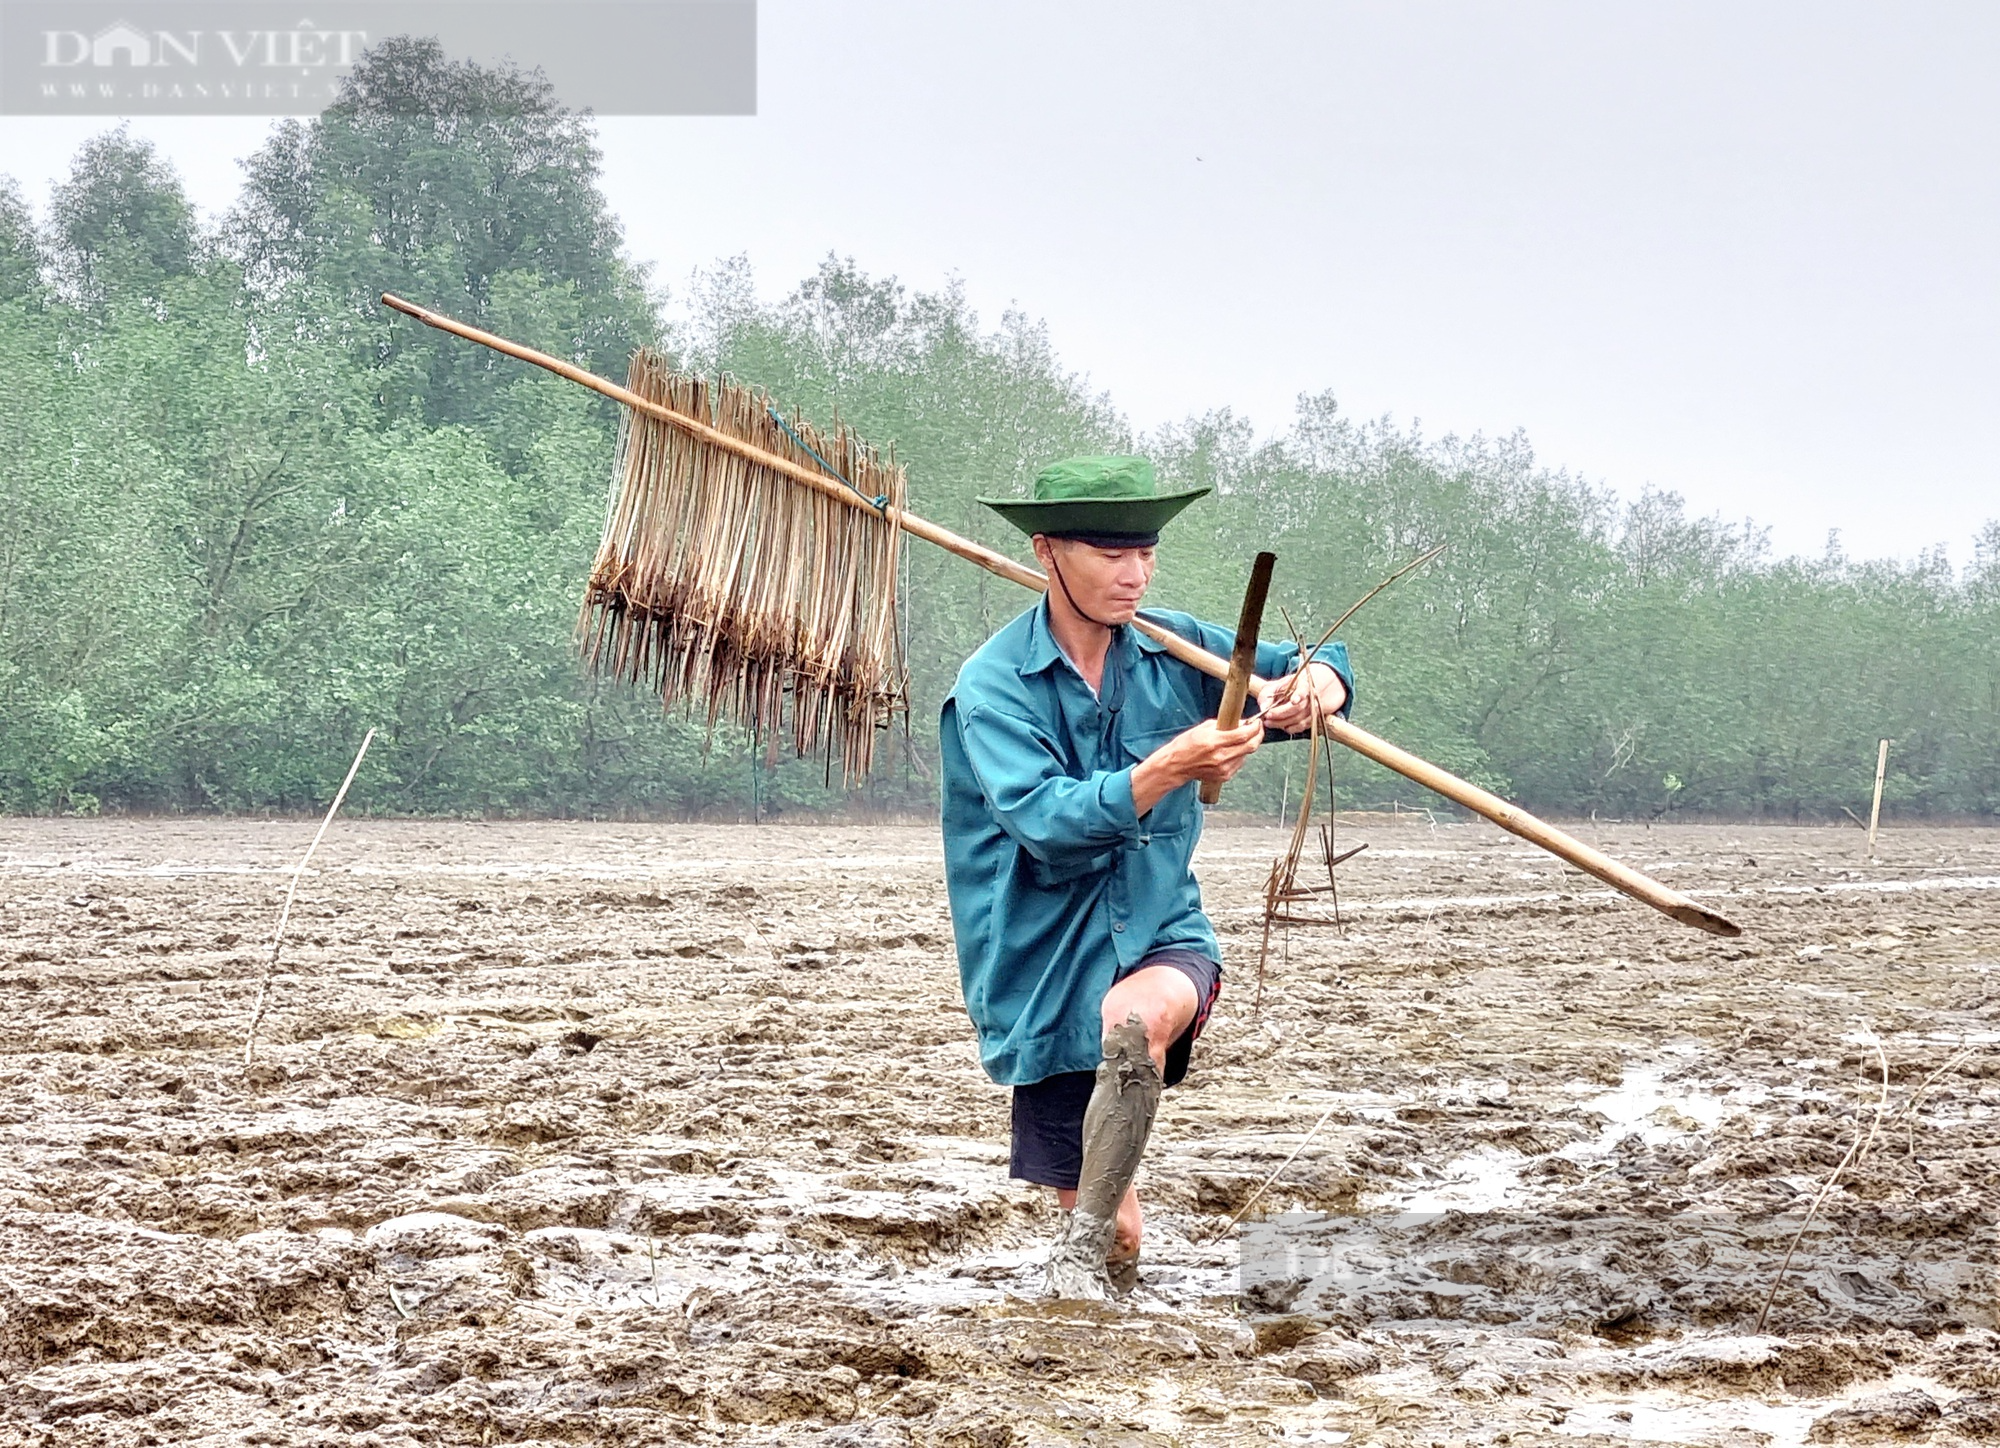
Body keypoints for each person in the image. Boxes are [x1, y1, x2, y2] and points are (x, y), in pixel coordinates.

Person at [940, 455, 1353, 1299]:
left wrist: (1319, 685)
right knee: (1117, 1235)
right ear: (1049, 552)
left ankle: (1080, 1263)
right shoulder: (993, 688)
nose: (1134, 576)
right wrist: (1169, 766)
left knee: (1131, 1020)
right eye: (1109, 555)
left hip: (1160, 934)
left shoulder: (1181, 655)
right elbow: (1048, 823)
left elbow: (1319, 660)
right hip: (1043, 968)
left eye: (1147, 555)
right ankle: (1095, 1278)